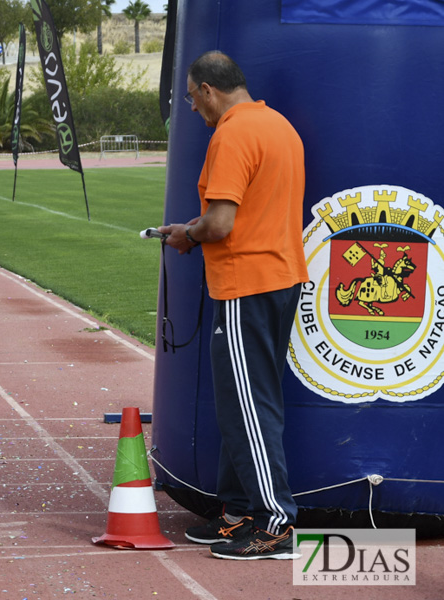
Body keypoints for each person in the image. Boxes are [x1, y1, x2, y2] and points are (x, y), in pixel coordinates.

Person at [158, 51, 307, 560]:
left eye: (191, 97)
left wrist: (186, 234)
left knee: (249, 406)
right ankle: (239, 510)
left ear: (206, 90)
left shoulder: (232, 133)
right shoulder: (279, 126)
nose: (193, 109)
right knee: (244, 401)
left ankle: (275, 522)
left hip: (249, 281)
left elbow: (219, 223)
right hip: (278, 277)